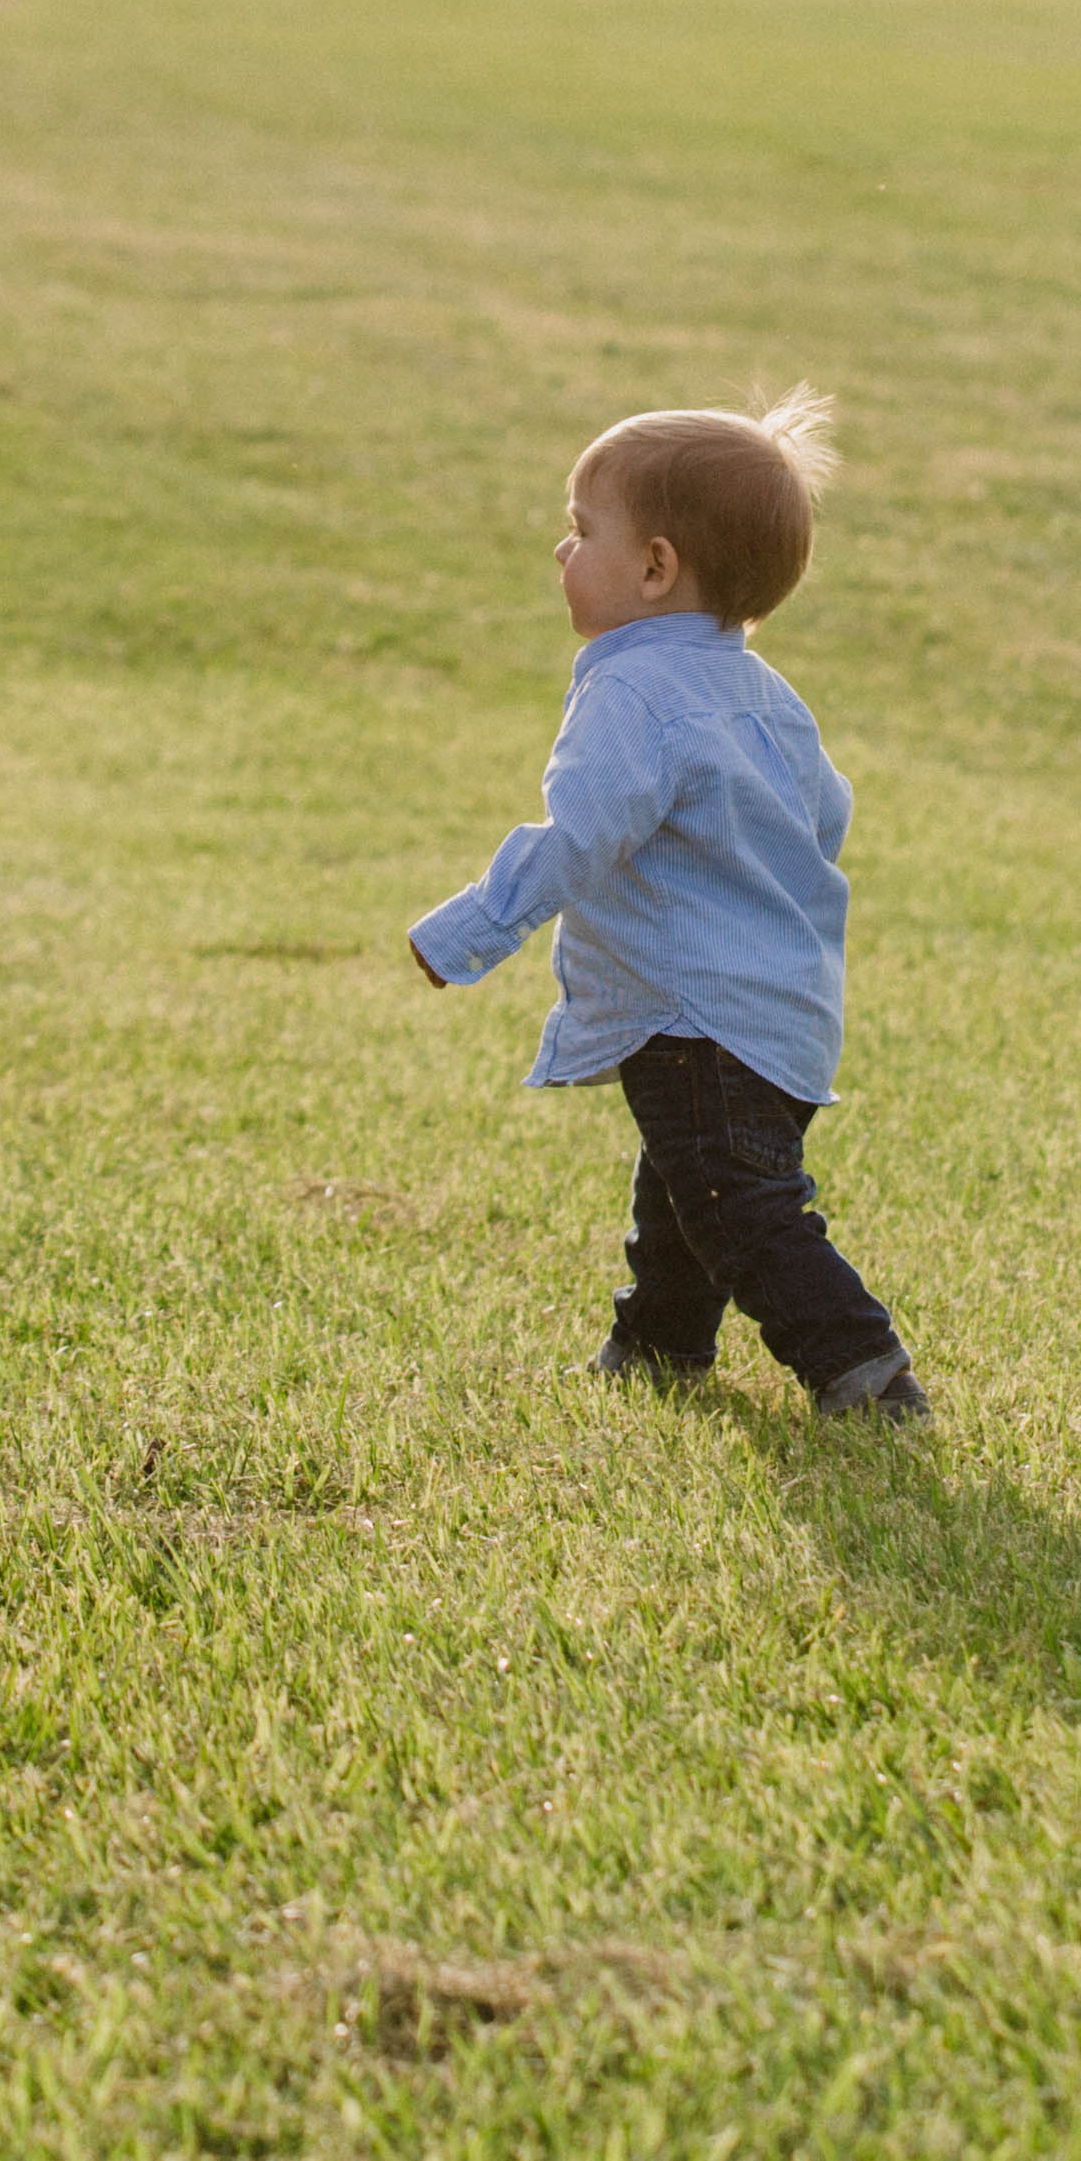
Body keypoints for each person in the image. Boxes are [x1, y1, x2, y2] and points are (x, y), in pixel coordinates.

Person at [407, 392, 928, 1424]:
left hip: (696, 1013)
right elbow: (827, 814)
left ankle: (860, 1368)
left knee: (741, 1209)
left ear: (653, 567)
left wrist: (469, 933)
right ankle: (657, 1346)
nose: (561, 551)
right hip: (785, 1004)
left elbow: (583, 835)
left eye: (580, 530)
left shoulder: (633, 696)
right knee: (688, 1190)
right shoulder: (765, 693)